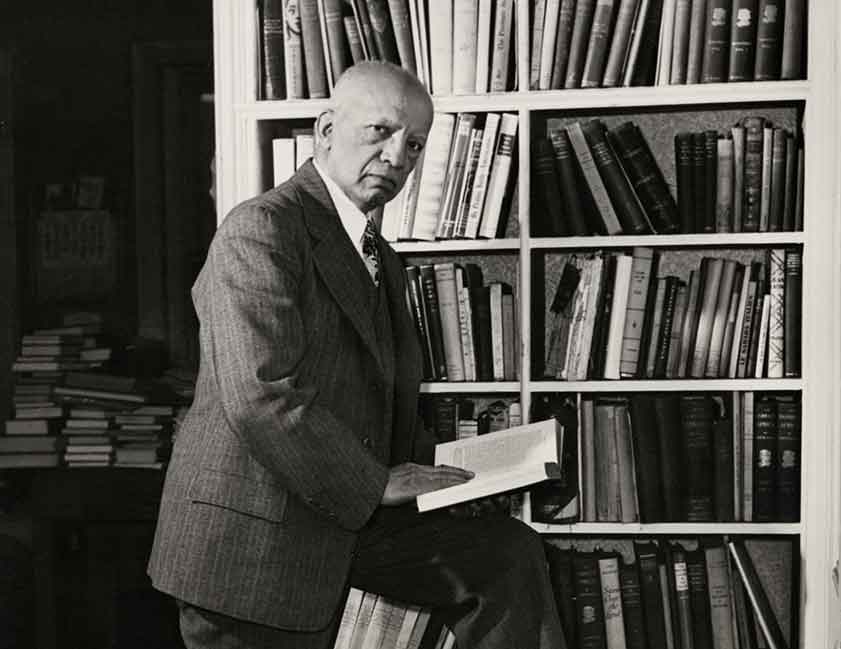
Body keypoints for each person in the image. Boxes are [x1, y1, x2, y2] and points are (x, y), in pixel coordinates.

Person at [148, 61, 565, 649]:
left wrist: (466, 474)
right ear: (324, 129)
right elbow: (260, 397)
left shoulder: (380, 256)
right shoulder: (261, 229)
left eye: (414, 144)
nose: (398, 156)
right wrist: (376, 485)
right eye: (380, 131)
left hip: (340, 512)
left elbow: (377, 405)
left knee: (504, 554)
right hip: (251, 540)